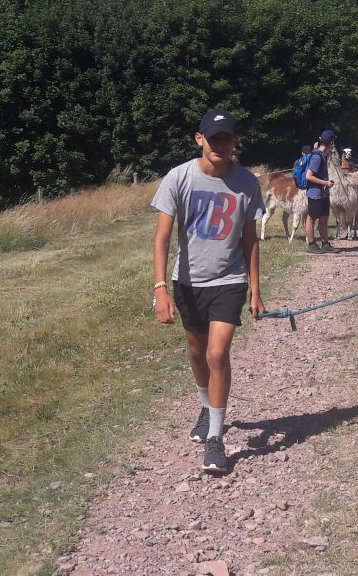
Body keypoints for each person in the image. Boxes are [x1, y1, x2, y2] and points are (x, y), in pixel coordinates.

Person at [151, 108, 267, 473]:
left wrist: (256, 290)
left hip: (229, 281)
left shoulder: (247, 182)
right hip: (187, 281)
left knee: (218, 354)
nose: (221, 145)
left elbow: (250, 240)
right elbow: (162, 238)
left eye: (227, 138)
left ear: (235, 142)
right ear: (199, 139)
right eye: (213, 138)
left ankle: (216, 437)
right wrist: (160, 289)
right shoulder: (178, 178)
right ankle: (206, 406)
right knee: (196, 351)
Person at [304, 130, 339, 254]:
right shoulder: (316, 157)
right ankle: (312, 244)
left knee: (324, 218)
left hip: (323, 193)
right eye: (333, 142)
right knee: (312, 218)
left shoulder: (324, 155)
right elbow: (309, 176)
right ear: (330, 142)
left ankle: (325, 243)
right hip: (315, 194)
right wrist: (325, 183)